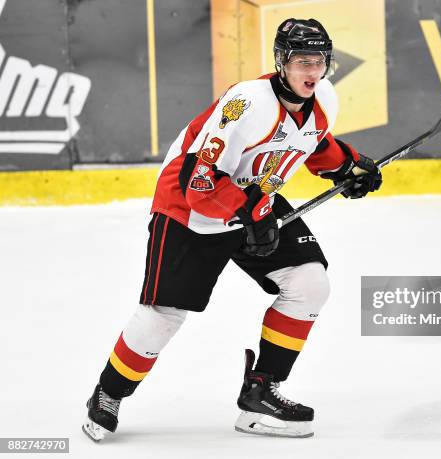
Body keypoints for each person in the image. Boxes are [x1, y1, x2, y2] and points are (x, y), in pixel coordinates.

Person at [82, 17, 382, 441]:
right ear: (281, 62)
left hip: (251, 200)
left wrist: (347, 167)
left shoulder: (322, 100)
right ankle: (107, 394)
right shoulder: (247, 103)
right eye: (301, 62)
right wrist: (250, 214)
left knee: (310, 283)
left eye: (319, 62)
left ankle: (261, 390)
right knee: (163, 316)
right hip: (189, 209)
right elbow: (198, 182)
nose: (312, 72)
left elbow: (310, 142)